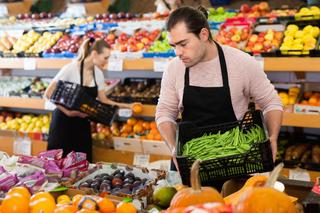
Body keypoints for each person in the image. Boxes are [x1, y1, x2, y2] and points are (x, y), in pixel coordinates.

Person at [155, 6, 283, 190]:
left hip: (237, 164)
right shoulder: (174, 69)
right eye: (173, 46)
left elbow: (271, 102)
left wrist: (272, 137)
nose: (177, 52)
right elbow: (165, 112)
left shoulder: (241, 63)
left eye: (183, 44)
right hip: (192, 166)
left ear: (204, 34)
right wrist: (174, 147)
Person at [45, 39, 133, 162]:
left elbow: (104, 100)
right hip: (63, 123)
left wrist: (128, 106)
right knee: (59, 165)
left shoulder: (98, 74)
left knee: (82, 165)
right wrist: (68, 112)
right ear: (95, 54)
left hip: (82, 125)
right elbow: (48, 93)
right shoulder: (71, 68)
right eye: (105, 58)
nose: (106, 62)